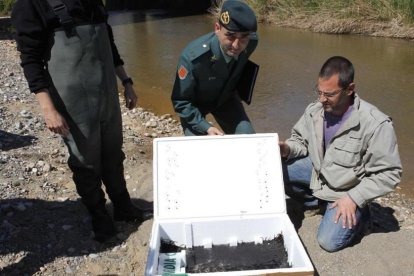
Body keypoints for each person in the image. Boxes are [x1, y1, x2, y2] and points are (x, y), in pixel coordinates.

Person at [11, 0, 152, 242]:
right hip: (72, 100)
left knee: (113, 153)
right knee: (85, 160)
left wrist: (126, 82)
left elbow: (108, 41)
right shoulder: (31, 4)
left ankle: (123, 206)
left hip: (106, 93)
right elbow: (30, 59)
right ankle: (98, 214)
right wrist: (48, 109)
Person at [279, 56, 402, 252]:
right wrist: (287, 149)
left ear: (349, 89)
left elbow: (390, 173)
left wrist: (354, 198)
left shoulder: (375, 123)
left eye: (329, 94)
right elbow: (300, 141)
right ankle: (318, 202)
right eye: (319, 92)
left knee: (329, 242)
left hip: (347, 190)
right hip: (320, 174)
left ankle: (363, 216)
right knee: (275, 170)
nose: (321, 99)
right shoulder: (315, 111)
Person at [171, 0, 258, 136]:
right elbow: (181, 101)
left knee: (248, 139)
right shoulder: (193, 57)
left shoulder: (252, 42)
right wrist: (206, 127)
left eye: (243, 37)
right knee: (201, 151)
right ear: (217, 28)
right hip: (195, 106)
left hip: (226, 99)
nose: (236, 45)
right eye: (230, 35)